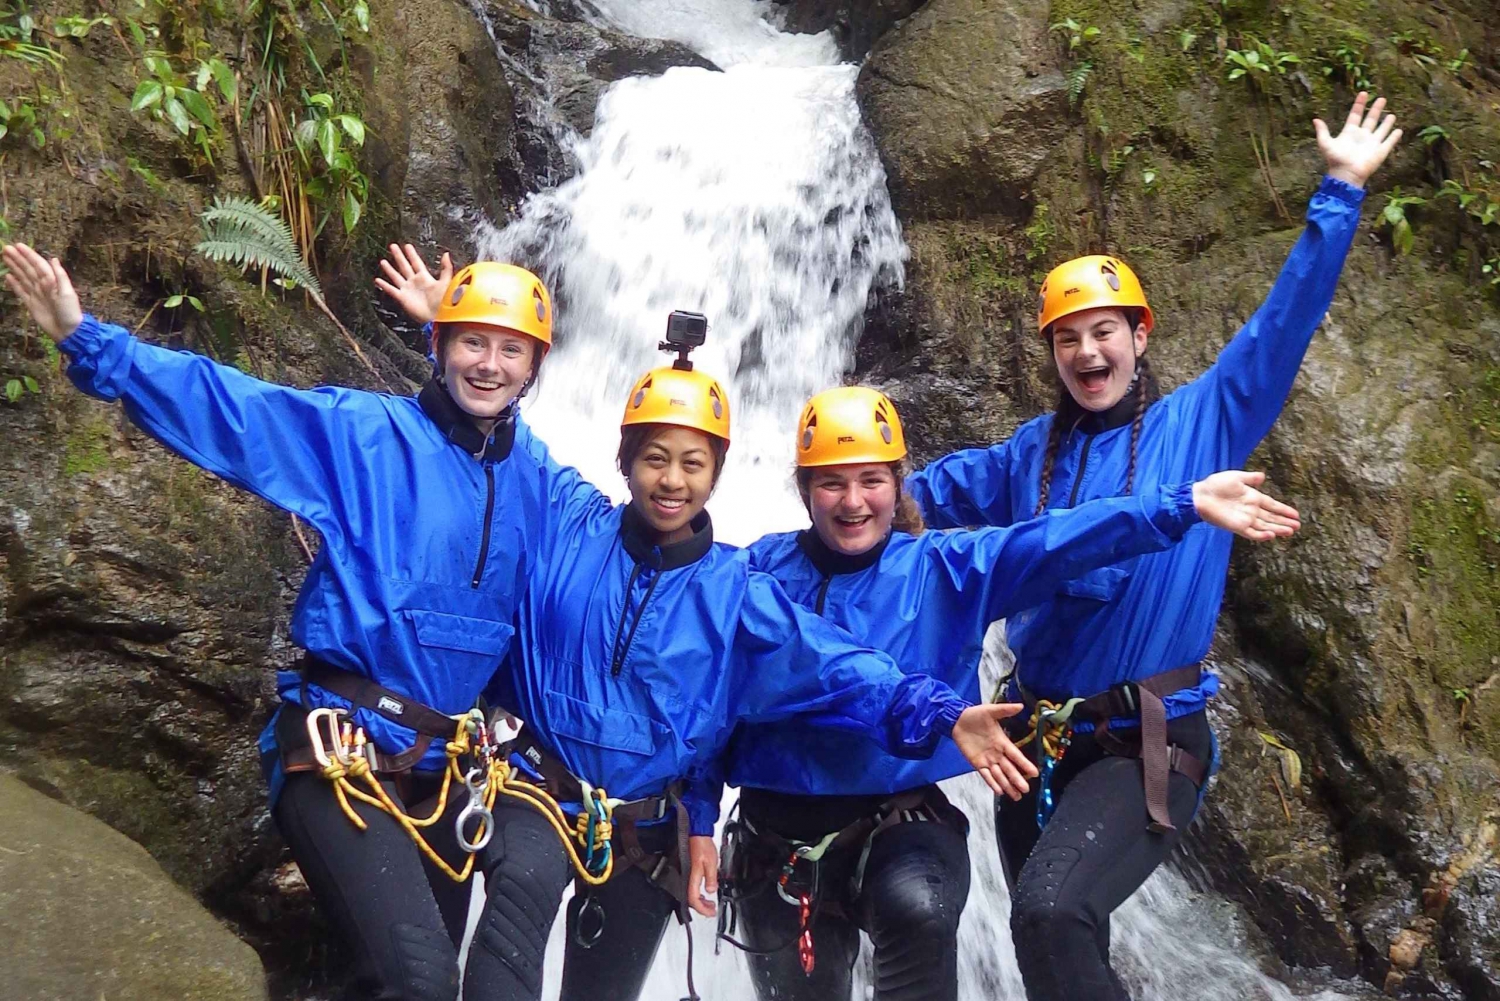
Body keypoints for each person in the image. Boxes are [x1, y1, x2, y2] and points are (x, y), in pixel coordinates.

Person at [376, 274, 1028, 1001]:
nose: (672, 480)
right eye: (655, 457)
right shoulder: (569, 519)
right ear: (625, 461)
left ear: (717, 475)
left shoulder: (737, 590)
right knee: (503, 954)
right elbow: (501, 427)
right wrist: (450, 336)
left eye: (693, 463)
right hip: (535, 796)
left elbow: (836, 664)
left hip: (646, 832)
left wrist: (942, 713)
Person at [901, 93, 1401, 1001]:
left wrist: (1339, 192)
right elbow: (901, 502)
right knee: (1049, 942)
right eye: (1067, 339)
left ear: (1139, 336)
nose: (1087, 353)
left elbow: (1282, 326)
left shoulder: (1205, 422)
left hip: (1145, 739)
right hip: (1034, 739)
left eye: (1104, 332)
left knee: (1051, 912)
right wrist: (843, 485)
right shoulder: (1025, 456)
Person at [1, 241, 559, 1000]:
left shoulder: (537, 481)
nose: (489, 365)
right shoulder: (365, 434)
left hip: (446, 767)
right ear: (438, 347)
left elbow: (622, 548)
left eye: (509, 350)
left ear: (534, 366)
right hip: (340, 747)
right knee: (421, 980)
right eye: (471, 344)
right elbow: (238, 413)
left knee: (401, 976)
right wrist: (89, 340)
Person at [693, 387, 1299, 1001]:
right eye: (832, 483)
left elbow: (1058, 540)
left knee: (918, 910)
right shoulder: (757, 575)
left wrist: (1181, 504)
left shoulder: (945, 569)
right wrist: (697, 819)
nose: (854, 502)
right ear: (804, 490)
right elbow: (704, 705)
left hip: (899, 829)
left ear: (898, 486)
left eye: (871, 480)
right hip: (776, 840)